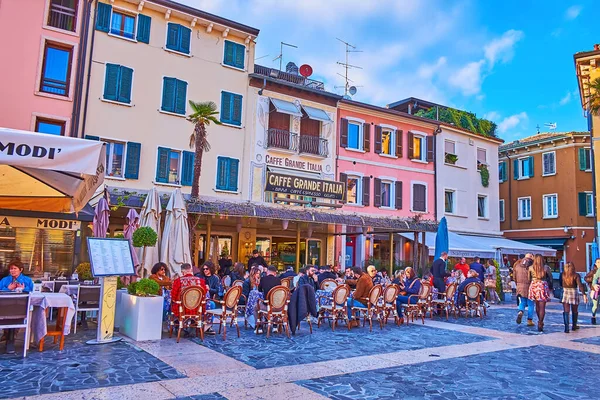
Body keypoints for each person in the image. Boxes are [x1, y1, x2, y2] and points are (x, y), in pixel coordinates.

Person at [170, 263, 215, 335]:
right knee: (209, 304)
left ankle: (178, 326)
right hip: (197, 309)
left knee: (171, 305)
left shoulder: (178, 281)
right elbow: (204, 294)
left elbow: (173, 296)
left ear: (182, 272)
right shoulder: (200, 281)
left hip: (182, 309)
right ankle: (197, 325)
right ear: (191, 270)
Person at [0, 260, 34, 354]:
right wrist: (8, 289)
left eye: (15, 268)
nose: (13, 271)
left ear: (21, 270)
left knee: (17, 314)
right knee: (8, 314)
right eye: (11, 269)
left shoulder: (27, 280)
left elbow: (32, 291)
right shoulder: (4, 280)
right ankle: (9, 339)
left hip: (21, 309)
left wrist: (24, 289)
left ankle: (9, 339)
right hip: (5, 308)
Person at [561, 262, 587, 333]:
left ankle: (566, 327)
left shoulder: (563, 275)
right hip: (574, 292)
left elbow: (561, 284)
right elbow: (580, 285)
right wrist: (584, 294)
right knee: (574, 310)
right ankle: (574, 325)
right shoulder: (576, 275)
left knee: (566, 311)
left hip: (565, 292)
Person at [528, 254, 551, 332]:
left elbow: (528, 278)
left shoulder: (531, 268)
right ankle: (540, 322)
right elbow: (550, 278)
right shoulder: (546, 268)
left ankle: (539, 320)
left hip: (534, 285)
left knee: (537, 305)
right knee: (542, 306)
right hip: (542, 285)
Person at [514, 253, 535, 326]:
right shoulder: (531, 266)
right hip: (529, 286)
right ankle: (529, 320)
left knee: (522, 302)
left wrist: (518, 285)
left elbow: (514, 277)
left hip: (519, 286)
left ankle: (520, 311)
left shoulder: (517, 265)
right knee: (530, 304)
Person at [588, 258, 600, 325]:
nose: (599, 264)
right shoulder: (595, 271)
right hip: (597, 290)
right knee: (595, 306)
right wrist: (594, 285)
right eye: (598, 262)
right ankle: (593, 316)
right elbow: (594, 279)